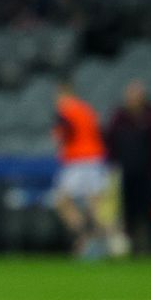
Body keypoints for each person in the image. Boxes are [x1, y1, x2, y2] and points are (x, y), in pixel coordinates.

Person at [51, 77, 115, 257]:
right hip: (95, 159)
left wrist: (58, 141)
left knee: (61, 201)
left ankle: (85, 237)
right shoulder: (86, 109)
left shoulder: (65, 109)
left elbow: (62, 133)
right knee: (96, 203)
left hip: (77, 160)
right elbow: (99, 133)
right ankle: (111, 241)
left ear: (62, 93)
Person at [103, 79, 151, 254]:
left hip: (147, 172)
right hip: (125, 172)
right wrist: (112, 165)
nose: (133, 98)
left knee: (149, 210)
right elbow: (109, 142)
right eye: (131, 95)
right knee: (127, 212)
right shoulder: (119, 117)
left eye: (136, 95)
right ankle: (131, 247)